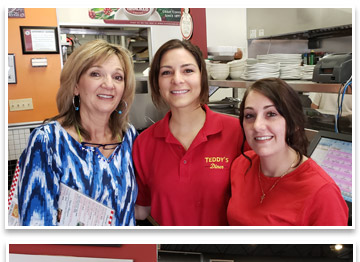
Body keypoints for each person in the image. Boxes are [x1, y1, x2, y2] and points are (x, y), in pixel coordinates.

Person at [17, 39, 138, 226]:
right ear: (75, 86)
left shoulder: (130, 137)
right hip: (74, 255)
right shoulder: (48, 140)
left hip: (128, 253)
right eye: (96, 74)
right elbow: (36, 225)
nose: (109, 84)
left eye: (118, 77)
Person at [133, 39, 244, 226]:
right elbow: (141, 210)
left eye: (188, 70)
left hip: (225, 253)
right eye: (166, 72)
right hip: (169, 254)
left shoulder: (238, 133)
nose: (177, 79)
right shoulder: (144, 143)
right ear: (157, 82)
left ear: (202, 76)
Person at [227, 77, 349, 226]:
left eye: (271, 114)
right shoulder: (240, 166)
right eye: (249, 116)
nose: (257, 125)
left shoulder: (322, 193)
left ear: (295, 122)